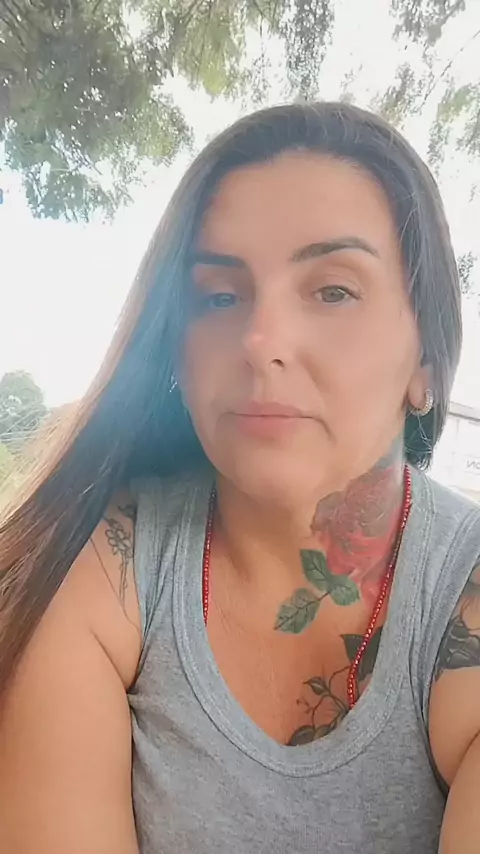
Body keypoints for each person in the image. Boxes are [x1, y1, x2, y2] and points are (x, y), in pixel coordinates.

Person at [0, 101, 479, 854]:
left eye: (333, 290)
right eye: (219, 296)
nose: (259, 339)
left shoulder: (462, 594)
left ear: (426, 359)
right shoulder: (103, 569)